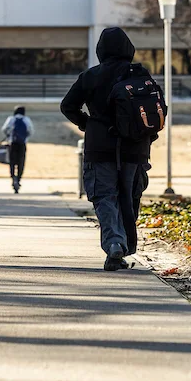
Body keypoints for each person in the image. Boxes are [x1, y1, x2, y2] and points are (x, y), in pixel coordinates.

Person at [60, 27, 157, 271]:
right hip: (136, 149)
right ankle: (122, 247)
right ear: (129, 49)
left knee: (105, 197)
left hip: (100, 147)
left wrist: (87, 124)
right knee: (129, 197)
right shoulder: (140, 75)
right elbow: (155, 110)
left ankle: (114, 243)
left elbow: (67, 106)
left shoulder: (91, 76)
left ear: (100, 50)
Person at [0, 105, 33, 193]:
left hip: (12, 143)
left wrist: (8, 135)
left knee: (12, 161)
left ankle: (13, 177)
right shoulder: (26, 119)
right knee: (21, 162)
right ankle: (18, 179)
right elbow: (30, 131)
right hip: (22, 143)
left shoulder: (11, 119)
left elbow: (4, 129)